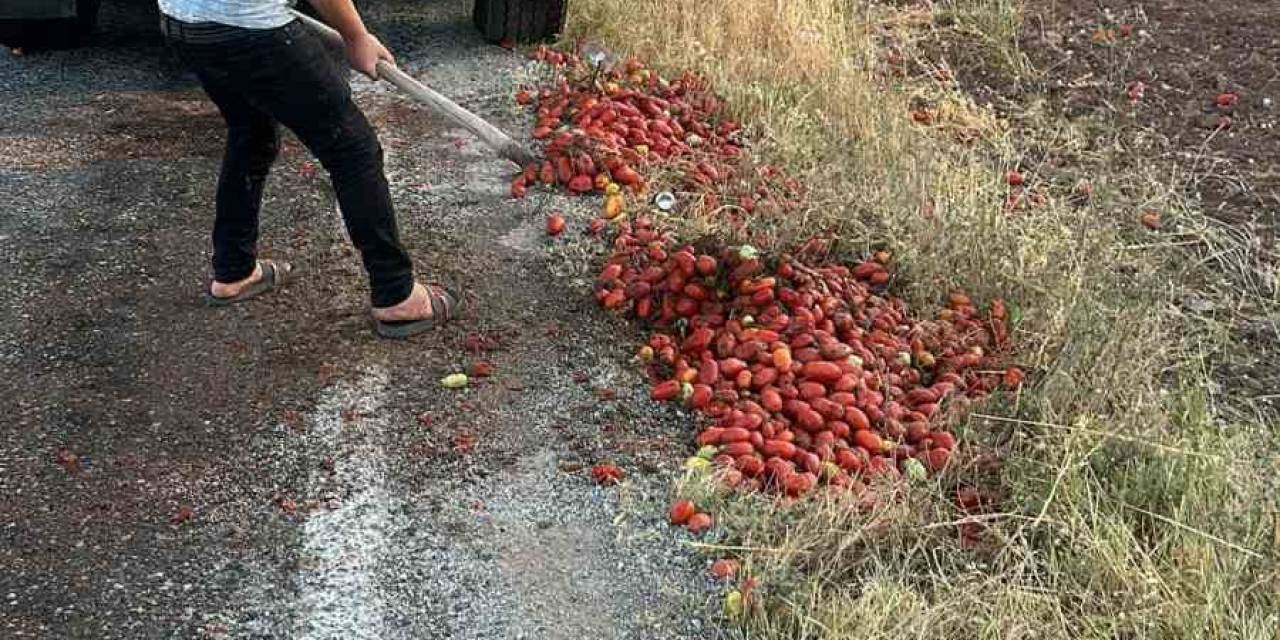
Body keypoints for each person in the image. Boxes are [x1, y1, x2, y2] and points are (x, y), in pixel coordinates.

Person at [158, 0, 455, 338]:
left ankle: (233, 270)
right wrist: (356, 36)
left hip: (184, 24)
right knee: (351, 149)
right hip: (252, 28)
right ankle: (396, 294)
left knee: (250, 131)